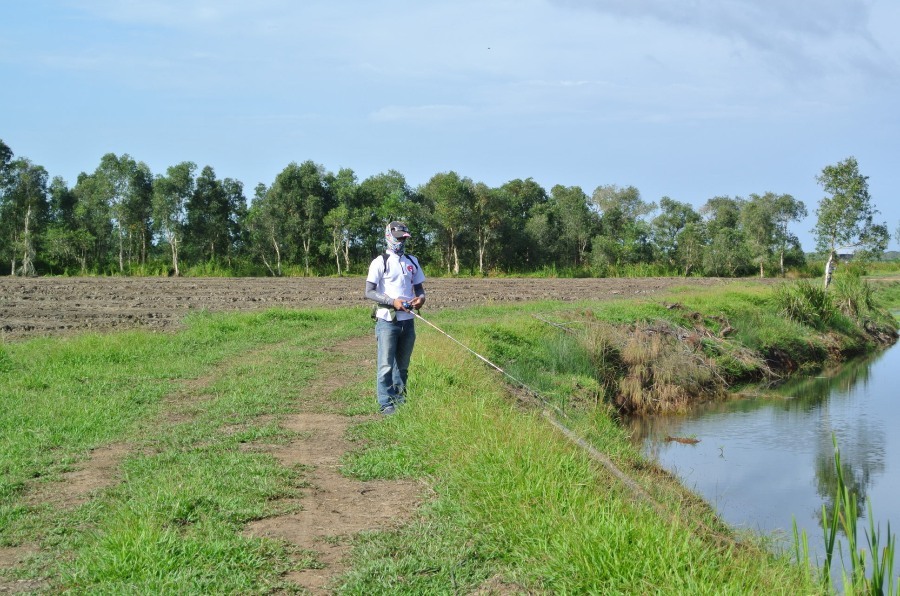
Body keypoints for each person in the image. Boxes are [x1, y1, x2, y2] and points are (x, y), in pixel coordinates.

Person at [365, 221, 427, 415]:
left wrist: (421, 299)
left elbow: (419, 289)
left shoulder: (412, 261)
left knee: (403, 366)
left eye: (404, 238)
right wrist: (393, 301)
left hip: (408, 322)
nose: (401, 242)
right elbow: (369, 292)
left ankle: (400, 401)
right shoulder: (380, 261)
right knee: (385, 365)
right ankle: (386, 403)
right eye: (398, 238)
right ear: (389, 236)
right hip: (387, 321)